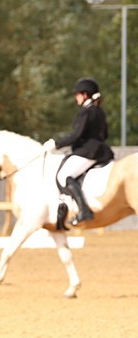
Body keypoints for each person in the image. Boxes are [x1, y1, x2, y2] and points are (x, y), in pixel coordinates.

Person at [43, 77, 114, 228]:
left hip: (88, 152)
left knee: (64, 175)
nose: (76, 97)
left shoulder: (86, 112)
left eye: (77, 94)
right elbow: (105, 134)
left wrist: (56, 144)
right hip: (101, 151)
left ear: (85, 95)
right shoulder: (99, 111)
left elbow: (76, 135)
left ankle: (84, 211)